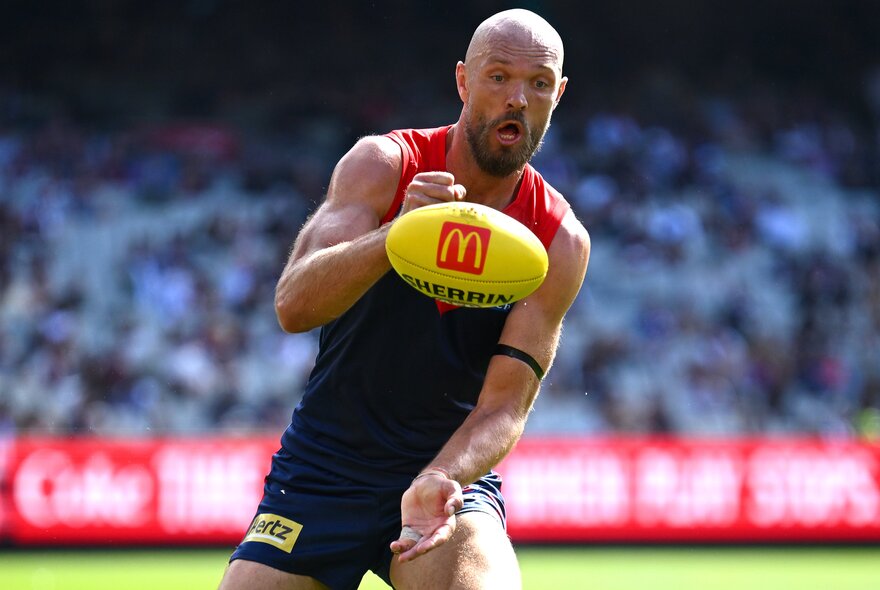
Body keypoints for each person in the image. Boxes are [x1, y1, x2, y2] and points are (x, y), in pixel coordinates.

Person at [219, 8, 590, 590]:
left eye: (538, 84)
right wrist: (396, 236)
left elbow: (504, 407)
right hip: (323, 468)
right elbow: (293, 305)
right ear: (463, 80)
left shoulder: (558, 240)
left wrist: (441, 477)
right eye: (498, 77)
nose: (518, 98)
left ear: (558, 94)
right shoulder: (383, 165)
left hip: (443, 474)